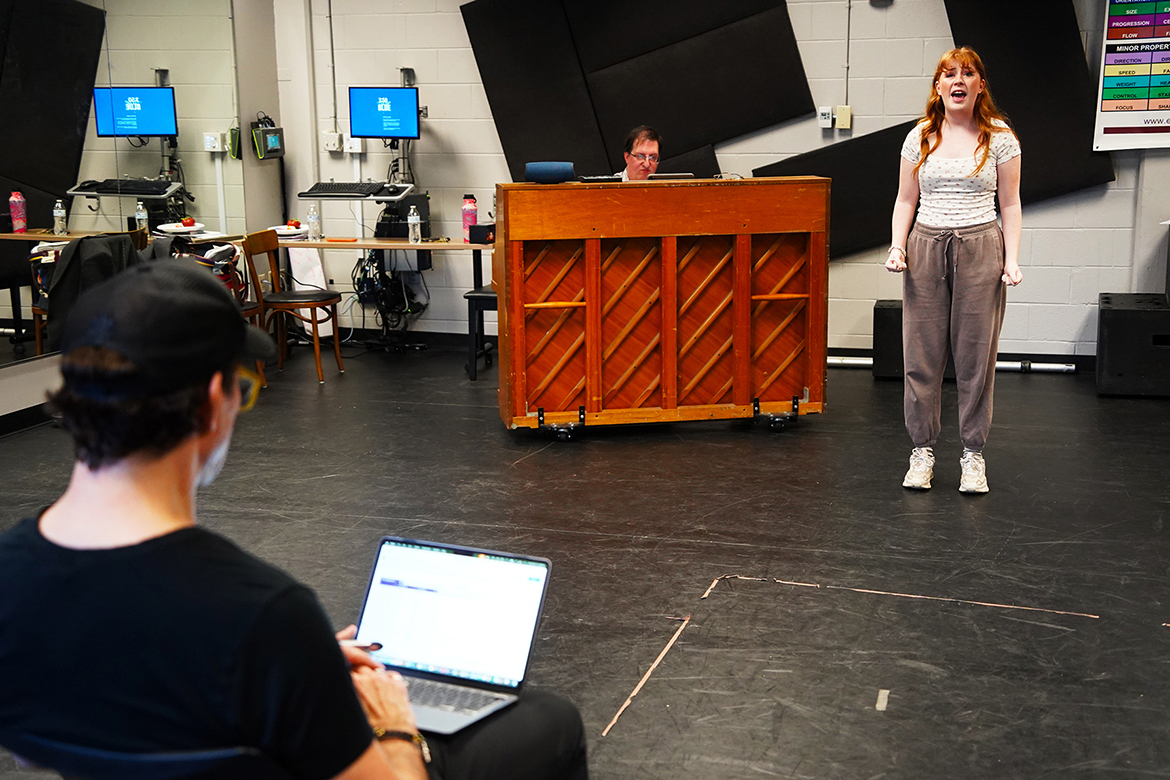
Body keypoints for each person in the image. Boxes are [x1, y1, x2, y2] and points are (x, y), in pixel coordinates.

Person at [0, 260, 588, 780]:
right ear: (211, 402)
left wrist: (302, 672)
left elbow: (46, 738)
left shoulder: (10, 579)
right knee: (550, 723)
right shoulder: (264, 615)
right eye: (243, 389)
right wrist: (394, 726)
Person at [885, 47, 1023, 494]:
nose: (957, 80)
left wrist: (1013, 257)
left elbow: (1011, 204)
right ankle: (922, 450)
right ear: (939, 86)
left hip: (981, 245)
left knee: (974, 357)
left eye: (967, 73)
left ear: (980, 85)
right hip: (926, 245)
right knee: (921, 355)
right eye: (949, 74)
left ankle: (972, 455)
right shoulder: (920, 135)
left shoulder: (999, 136)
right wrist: (897, 246)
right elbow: (906, 199)